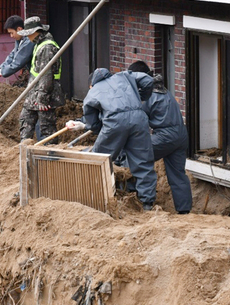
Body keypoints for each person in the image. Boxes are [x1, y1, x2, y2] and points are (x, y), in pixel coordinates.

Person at [66, 66, 157, 210]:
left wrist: (95, 128)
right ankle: (147, 203)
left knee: (99, 158)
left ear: (91, 84)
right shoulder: (124, 76)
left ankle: (94, 198)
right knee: (143, 161)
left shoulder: (93, 92)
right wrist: (140, 97)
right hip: (139, 118)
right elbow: (147, 80)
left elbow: (92, 121)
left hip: (114, 122)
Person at [128, 61, 192, 214]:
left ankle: (144, 201)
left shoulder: (147, 95)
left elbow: (137, 120)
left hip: (165, 136)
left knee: (139, 156)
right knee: (178, 174)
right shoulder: (164, 91)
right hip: (181, 135)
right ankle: (184, 211)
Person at [16, 16, 65, 141]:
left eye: (28, 34)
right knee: (25, 120)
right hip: (34, 91)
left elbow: (46, 75)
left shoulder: (47, 48)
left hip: (45, 93)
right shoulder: (39, 44)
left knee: (46, 126)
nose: (27, 37)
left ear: (34, 32)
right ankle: (24, 148)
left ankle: (49, 153)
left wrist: (42, 98)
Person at [0, 15, 34, 83]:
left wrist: (2, 72)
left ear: (19, 29)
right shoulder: (20, 39)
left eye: (12, 33)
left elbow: (18, 62)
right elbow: (13, 55)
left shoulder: (29, 41)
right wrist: (1, 68)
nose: (11, 36)